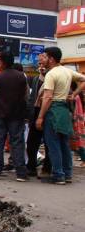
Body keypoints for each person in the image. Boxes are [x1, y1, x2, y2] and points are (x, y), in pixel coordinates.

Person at [36, 47, 85, 184]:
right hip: (64, 110)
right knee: (64, 144)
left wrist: (40, 117)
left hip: (53, 110)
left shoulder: (51, 74)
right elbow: (83, 79)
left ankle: (58, 175)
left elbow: (47, 98)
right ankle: (67, 174)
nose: (42, 59)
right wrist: (74, 94)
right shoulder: (67, 71)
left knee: (53, 145)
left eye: (45, 57)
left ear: (51, 59)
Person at [0, 51, 28, 181]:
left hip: (0, 114)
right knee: (17, 143)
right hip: (17, 114)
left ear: (2, 62)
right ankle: (21, 173)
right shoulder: (21, 76)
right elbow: (25, 95)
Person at [25, 65, 50, 177]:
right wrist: (29, 114)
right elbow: (31, 98)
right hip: (35, 114)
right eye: (39, 65)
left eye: (44, 66)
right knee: (31, 143)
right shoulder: (36, 79)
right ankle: (31, 166)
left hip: (48, 114)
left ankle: (47, 168)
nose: (41, 68)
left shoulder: (52, 78)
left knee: (49, 143)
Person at [70, 83, 85, 168]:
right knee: (78, 142)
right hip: (78, 121)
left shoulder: (75, 96)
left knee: (78, 143)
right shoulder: (78, 96)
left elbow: (74, 111)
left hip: (75, 122)